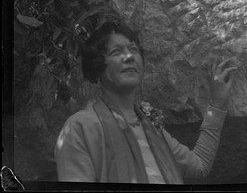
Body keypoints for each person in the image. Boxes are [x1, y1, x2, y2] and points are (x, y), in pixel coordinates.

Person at [55, 21, 236, 183]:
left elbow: (200, 165)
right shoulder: (80, 128)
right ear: (97, 66)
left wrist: (217, 103)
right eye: (116, 52)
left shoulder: (152, 127)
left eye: (134, 50)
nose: (129, 57)